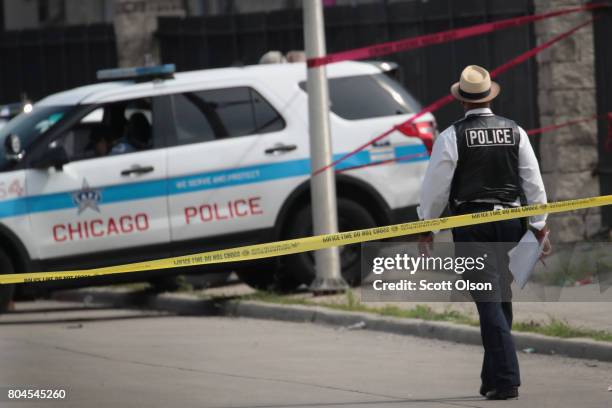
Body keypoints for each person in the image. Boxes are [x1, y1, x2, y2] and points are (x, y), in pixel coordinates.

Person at [417, 65, 551, 400]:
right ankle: (491, 379)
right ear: (489, 96)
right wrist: (539, 225)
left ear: (462, 101)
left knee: (489, 302)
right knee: (500, 301)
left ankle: (506, 380)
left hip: (471, 225)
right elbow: (533, 181)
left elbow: (434, 191)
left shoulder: (450, 137)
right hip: (510, 221)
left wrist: (427, 227)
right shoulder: (514, 131)